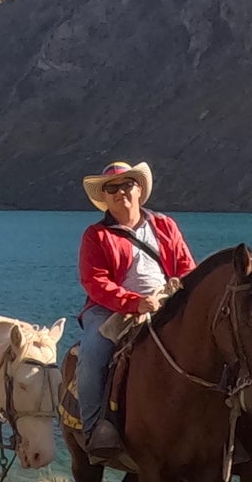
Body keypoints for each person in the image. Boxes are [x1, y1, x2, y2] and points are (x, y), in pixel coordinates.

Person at [77, 159, 196, 462]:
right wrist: (134, 302)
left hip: (165, 304)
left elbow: (186, 268)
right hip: (109, 310)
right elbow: (95, 282)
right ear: (104, 197)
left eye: (127, 184)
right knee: (92, 355)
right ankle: (94, 431)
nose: (120, 192)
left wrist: (176, 295)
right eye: (112, 188)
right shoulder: (95, 235)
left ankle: (224, 424)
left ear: (139, 189)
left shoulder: (165, 225)